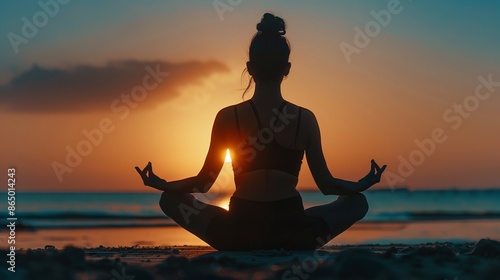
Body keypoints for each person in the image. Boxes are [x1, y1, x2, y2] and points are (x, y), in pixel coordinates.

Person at [135, 13, 386, 251]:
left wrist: (163, 184)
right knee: (357, 202)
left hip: (237, 233)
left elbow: (204, 183)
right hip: (294, 233)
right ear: (287, 69)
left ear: (249, 67)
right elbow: (327, 185)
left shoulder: (227, 116)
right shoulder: (304, 118)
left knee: (169, 199)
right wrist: (361, 184)